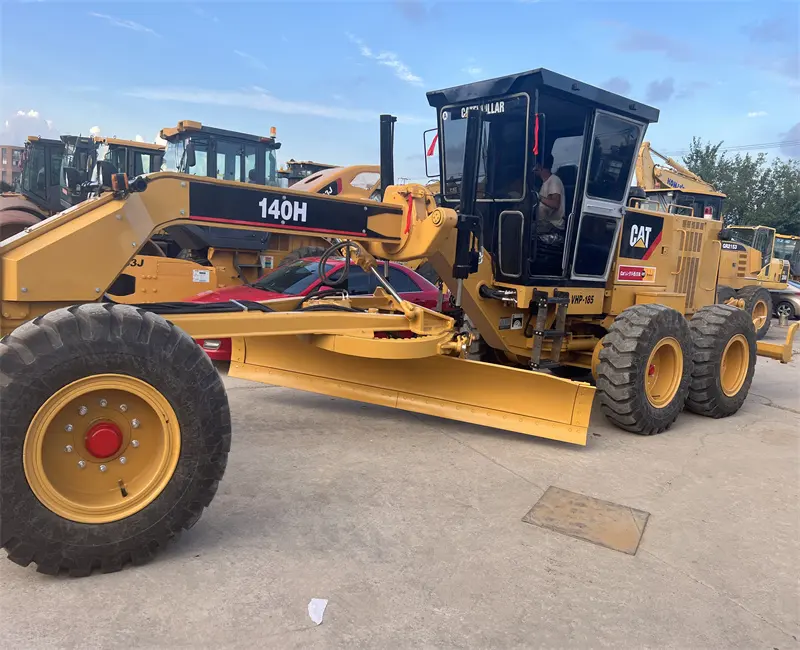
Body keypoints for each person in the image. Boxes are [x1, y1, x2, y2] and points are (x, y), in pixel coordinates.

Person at [534, 154, 565, 233]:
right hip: (545, 223)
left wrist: (538, 197)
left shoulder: (554, 181)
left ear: (539, 167)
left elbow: (555, 204)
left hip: (553, 225)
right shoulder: (545, 182)